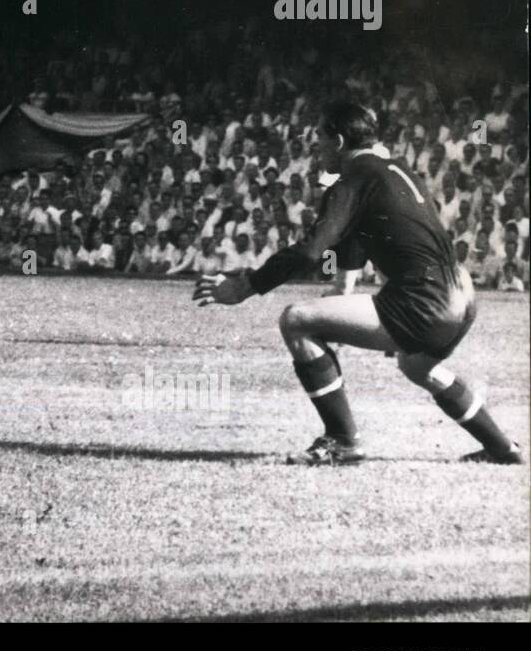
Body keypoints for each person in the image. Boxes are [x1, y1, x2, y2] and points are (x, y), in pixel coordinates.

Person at [194, 102, 521, 465]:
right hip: (463, 294)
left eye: (319, 141)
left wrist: (245, 286)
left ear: (337, 140)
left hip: (427, 300)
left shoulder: (352, 178)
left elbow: (309, 252)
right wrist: (343, 290)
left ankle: (343, 440)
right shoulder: (394, 168)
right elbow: (360, 235)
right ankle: (502, 447)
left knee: (296, 319)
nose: (316, 150)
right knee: (417, 366)